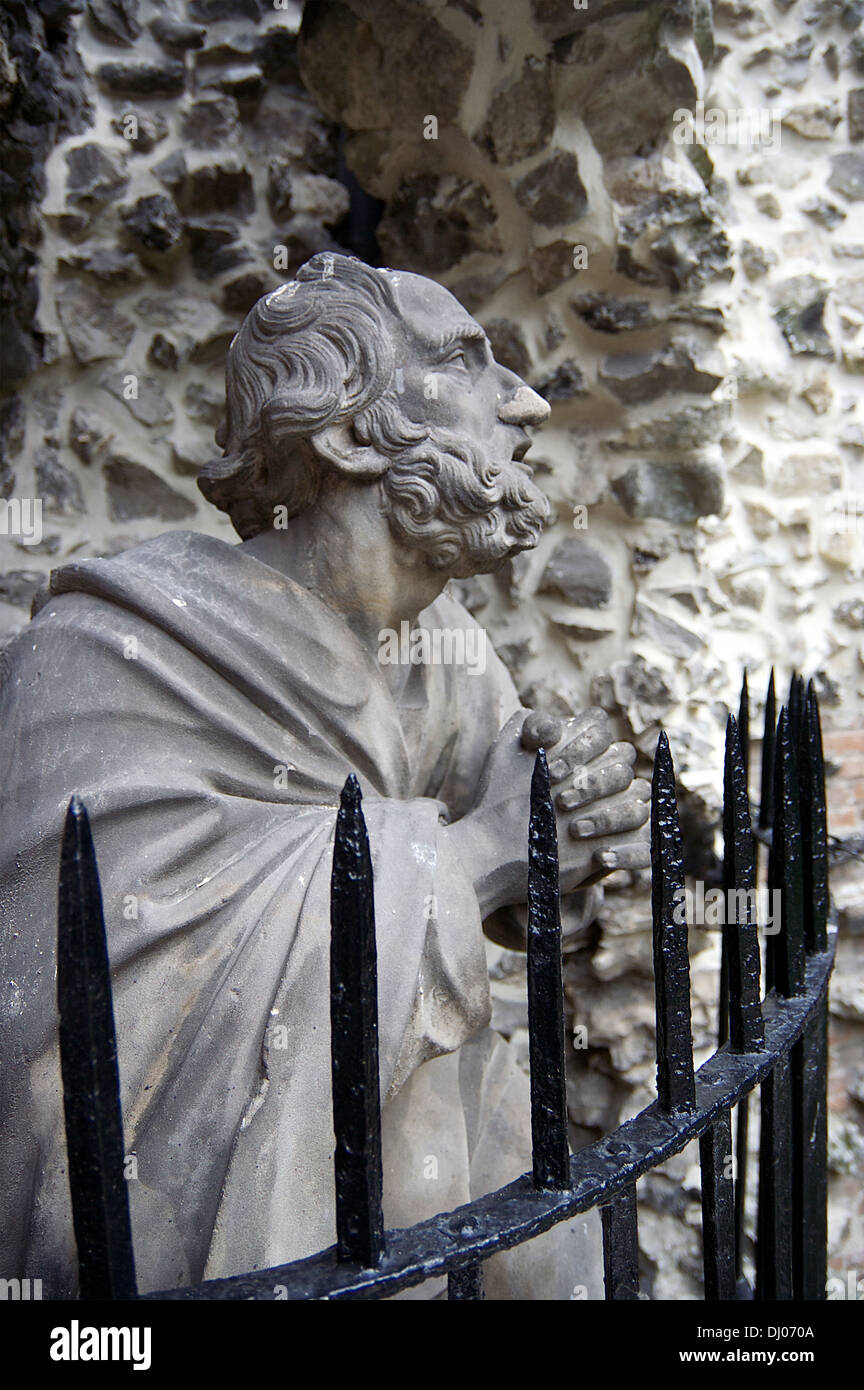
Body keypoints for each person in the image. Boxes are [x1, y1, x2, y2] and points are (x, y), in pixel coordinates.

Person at [0, 253, 649, 1298]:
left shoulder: (442, 647)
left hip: (422, 1174)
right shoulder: (110, 655)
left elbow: (520, 868)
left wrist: (571, 823)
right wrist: (483, 853)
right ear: (348, 433)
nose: (524, 400)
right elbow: (90, 1020)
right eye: (465, 362)